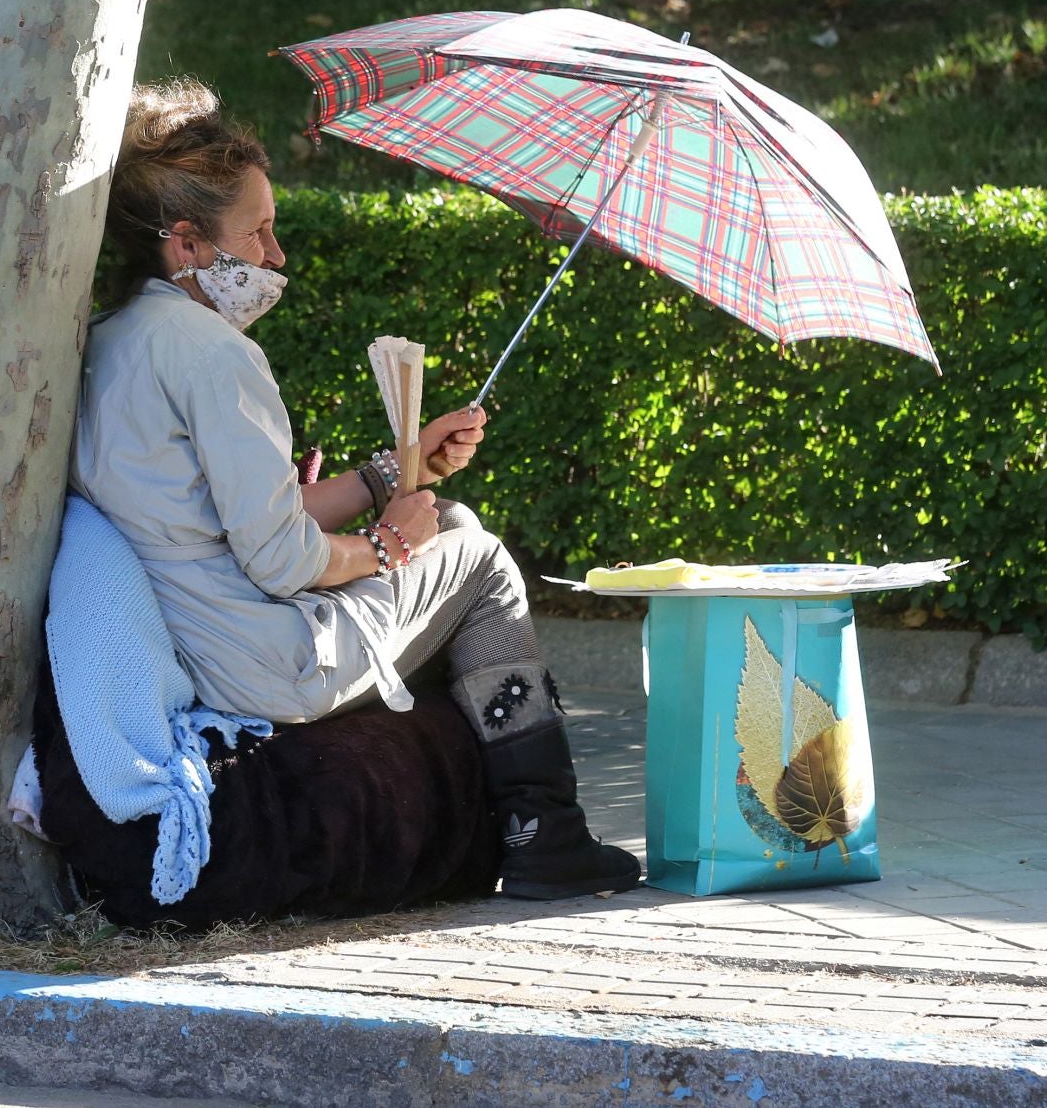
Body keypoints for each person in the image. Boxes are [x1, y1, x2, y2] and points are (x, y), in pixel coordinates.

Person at [69, 78, 638, 901]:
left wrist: (387, 477)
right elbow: (277, 559)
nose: (275, 257)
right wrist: (389, 541)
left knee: (452, 514)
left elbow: (236, 523)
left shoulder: (111, 342)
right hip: (262, 662)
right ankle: (544, 831)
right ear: (186, 243)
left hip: (201, 638)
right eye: (258, 233)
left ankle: (519, 815)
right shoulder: (214, 354)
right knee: (478, 558)